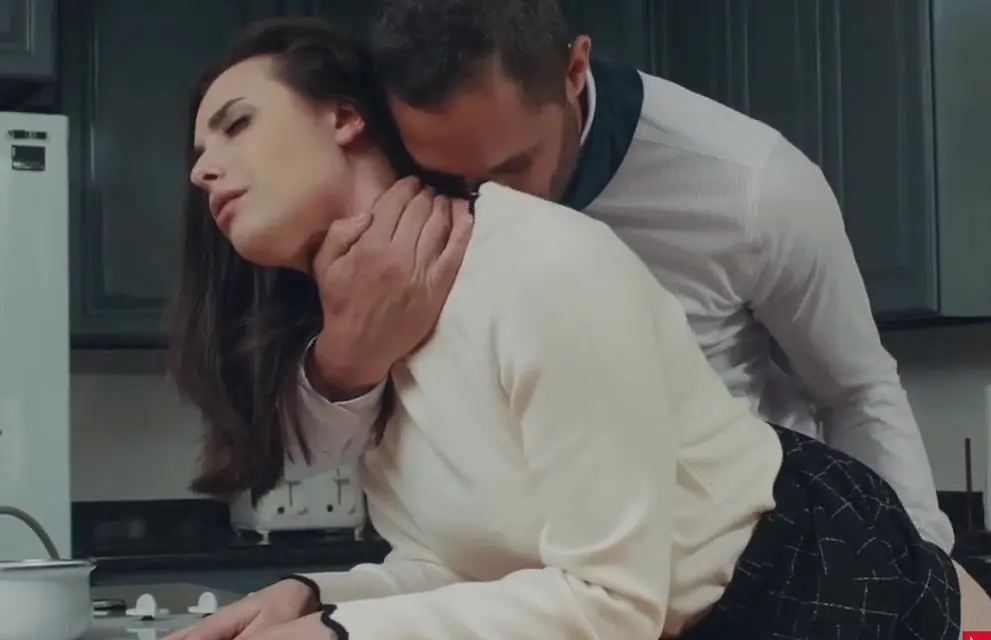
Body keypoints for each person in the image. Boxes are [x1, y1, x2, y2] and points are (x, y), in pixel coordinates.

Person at [123, 18, 991, 640]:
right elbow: (468, 567)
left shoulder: (640, 223)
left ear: (346, 118)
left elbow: (855, 389)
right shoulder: (368, 330)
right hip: (681, 634)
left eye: (235, 125)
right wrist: (317, 598)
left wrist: (345, 634)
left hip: (833, 578)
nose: (200, 169)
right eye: (197, 148)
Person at [292, 0, 956, 555]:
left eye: (507, 171)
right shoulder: (387, 193)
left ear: (574, 70)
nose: (482, 203)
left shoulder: (753, 187)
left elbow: (856, 390)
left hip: (726, 578)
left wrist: (928, 573)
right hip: (495, 591)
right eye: (448, 177)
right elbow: (327, 442)